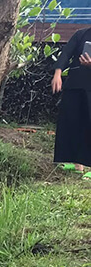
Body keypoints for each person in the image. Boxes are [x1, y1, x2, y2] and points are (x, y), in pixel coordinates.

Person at [51, 27, 91, 174]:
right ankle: (76, 163)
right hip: (75, 84)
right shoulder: (81, 34)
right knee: (72, 122)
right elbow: (66, 53)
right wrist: (58, 72)